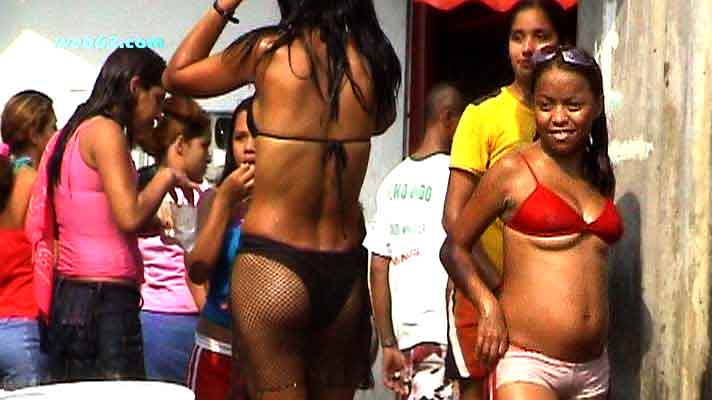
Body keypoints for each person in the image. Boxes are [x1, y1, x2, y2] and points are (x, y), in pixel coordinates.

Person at [163, 0, 401, 398]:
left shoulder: (268, 52)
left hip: (273, 264)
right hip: (343, 271)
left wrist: (225, 6)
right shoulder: (372, 64)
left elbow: (177, 75)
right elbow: (383, 121)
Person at [441, 45, 621, 400]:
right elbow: (454, 247)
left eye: (573, 105)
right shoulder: (513, 171)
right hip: (529, 365)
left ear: (597, 107)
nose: (558, 117)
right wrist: (489, 306)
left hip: (593, 369)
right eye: (545, 105)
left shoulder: (598, 174)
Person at [42, 47, 198, 382]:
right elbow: (128, 216)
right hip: (105, 302)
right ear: (135, 87)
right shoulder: (107, 132)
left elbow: (104, 219)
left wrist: (155, 224)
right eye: (157, 99)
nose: (158, 114)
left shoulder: (75, 131)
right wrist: (166, 176)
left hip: (72, 296)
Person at [441, 1, 566, 398]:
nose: (528, 48)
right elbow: (454, 218)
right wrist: (495, 289)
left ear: (561, 42)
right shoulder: (483, 116)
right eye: (518, 37)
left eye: (541, 36)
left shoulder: (570, 120)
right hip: (482, 292)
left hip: (548, 301)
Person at [366, 83, 466, 400]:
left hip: (404, 338)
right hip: (442, 333)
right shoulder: (456, 179)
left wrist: (387, 342)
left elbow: (378, 268)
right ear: (449, 119)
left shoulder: (392, 181)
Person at [136, 95, 212, 384]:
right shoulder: (189, 196)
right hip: (184, 322)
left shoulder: (142, 190)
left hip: (148, 318)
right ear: (180, 144)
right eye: (203, 145)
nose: (207, 155)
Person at [185, 97, 255, 400]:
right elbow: (197, 269)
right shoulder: (214, 199)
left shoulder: (290, 203)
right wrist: (225, 204)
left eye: (259, 136)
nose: (249, 146)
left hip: (271, 360)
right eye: (240, 137)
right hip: (218, 351)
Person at [0, 90, 56, 389]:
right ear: (35, 134)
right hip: (21, 322)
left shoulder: (4, 177)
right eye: (52, 127)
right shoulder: (35, 183)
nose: (56, 135)